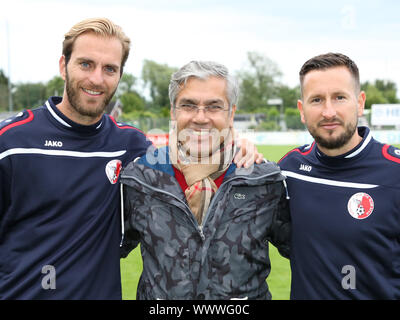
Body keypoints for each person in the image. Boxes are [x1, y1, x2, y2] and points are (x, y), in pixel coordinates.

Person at [0, 18, 261, 299]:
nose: (97, 79)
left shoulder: (130, 144)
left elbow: (190, 160)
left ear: (120, 75)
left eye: (110, 69)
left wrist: (237, 147)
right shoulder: (12, 142)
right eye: (86, 64)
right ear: (64, 66)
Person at [120, 61, 291, 300]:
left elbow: (309, 257)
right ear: (173, 111)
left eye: (214, 107)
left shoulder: (263, 180)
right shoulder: (141, 179)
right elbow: (104, 252)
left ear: (231, 113)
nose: (200, 118)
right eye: (188, 105)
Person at [278, 52, 400, 299]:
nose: (328, 112)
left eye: (339, 97)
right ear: (302, 110)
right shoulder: (288, 169)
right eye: (316, 100)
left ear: (360, 102)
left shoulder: (395, 172)